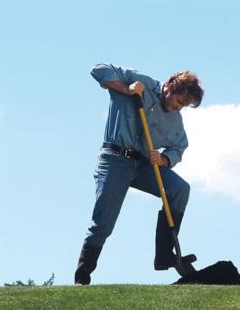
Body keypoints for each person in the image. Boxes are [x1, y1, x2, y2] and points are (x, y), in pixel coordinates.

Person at [74, 63, 204, 285]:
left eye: (183, 106)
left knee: (180, 189)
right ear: (171, 86)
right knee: (103, 223)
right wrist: (127, 89)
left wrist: (164, 159)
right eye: (179, 101)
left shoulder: (175, 121)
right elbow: (98, 69)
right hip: (114, 159)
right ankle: (82, 276)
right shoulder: (139, 80)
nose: (177, 108)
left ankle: (164, 255)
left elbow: (179, 147)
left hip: (144, 166)